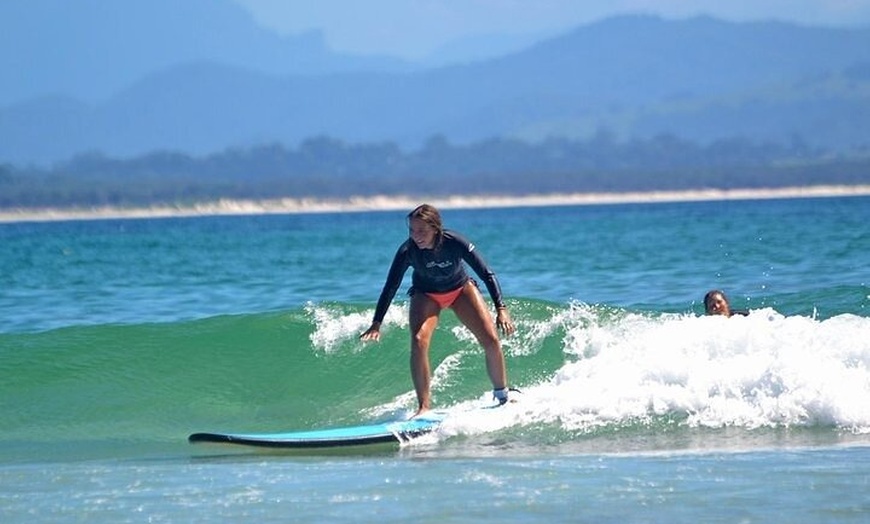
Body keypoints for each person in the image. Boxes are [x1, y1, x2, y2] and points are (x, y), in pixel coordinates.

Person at [360, 204, 516, 417]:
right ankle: (424, 407)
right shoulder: (407, 251)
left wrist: (501, 308)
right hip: (426, 295)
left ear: (435, 228)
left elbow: (486, 273)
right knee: (418, 340)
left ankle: (502, 395)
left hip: (461, 290)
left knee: (490, 339)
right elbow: (391, 286)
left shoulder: (455, 243)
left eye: (422, 231)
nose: (416, 236)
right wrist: (376, 323)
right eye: (412, 231)